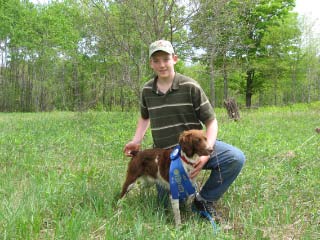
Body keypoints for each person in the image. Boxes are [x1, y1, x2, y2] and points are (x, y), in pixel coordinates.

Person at [123, 40, 245, 221]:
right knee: (168, 207)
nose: (162, 64)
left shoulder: (190, 86)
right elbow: (144, 117)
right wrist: (136, 140)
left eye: (166, 59)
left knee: (235, 158)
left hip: (195, 147)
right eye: (156, 60)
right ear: (151, 63)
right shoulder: (147, 90)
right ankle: (180, 193)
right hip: (166, 158)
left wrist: (205, 155)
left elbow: (211, 122)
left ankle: (203, 200)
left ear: (175, 59)